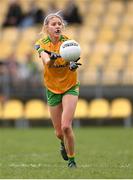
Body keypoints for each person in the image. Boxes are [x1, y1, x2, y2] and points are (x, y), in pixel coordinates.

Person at [34, 12, 81, 168]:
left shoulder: (69, 43)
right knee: (60, 133)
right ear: (47, 28)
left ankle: (72, 161)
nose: (57, 26)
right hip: (52, 88)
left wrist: (73, 65)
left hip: (70, 86)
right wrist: (52, 56)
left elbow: (73, 63)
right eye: (53, 24)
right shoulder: (42, 43)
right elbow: (46, 61)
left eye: (59, 24)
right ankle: (62, 143)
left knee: (66, 126)